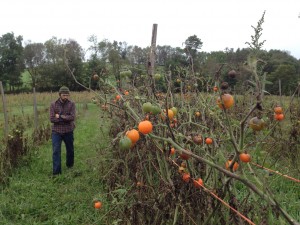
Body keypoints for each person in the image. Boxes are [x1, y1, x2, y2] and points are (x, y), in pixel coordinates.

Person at [49, 86, 76, 176]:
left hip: (68, 130)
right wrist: (66, 117)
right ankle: (56, 173)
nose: (66, 97)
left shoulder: (71, 104)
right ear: (60, 94)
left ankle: (70, 165)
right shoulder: (53, 104)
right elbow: (52, 119)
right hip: (56, 131)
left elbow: (72, 117)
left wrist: (60, 116)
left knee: (70, 150)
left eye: (67, 95)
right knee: (56, 151)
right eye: (64, 95)